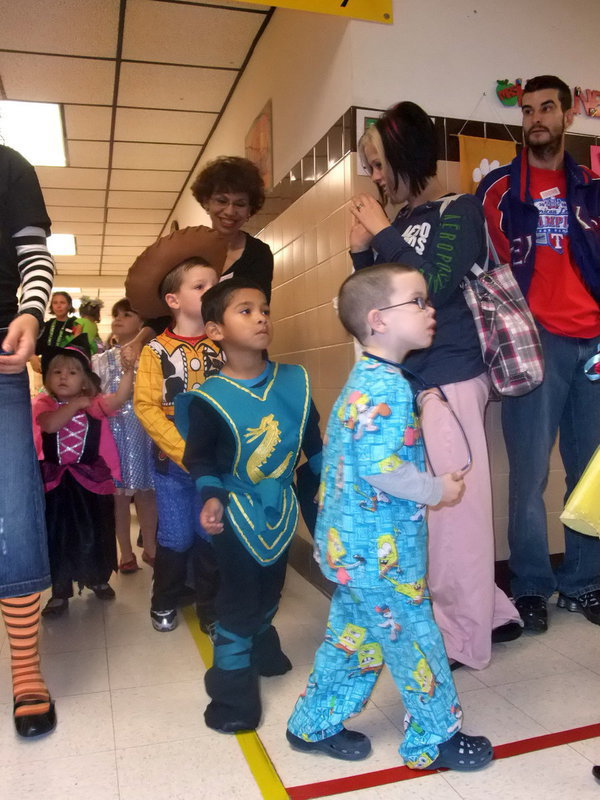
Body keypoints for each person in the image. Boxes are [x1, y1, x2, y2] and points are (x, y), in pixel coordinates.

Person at [286, 264, 493, 771]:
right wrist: (438, 490)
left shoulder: (371, 380)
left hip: (351, 550)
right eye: (418, 302)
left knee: (352, 639)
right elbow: (384, 470)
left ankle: (312, 724)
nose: (430, 311)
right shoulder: (386, 388)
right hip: (382, 559)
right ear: (378, 320)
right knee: (418, 641)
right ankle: (436, 736)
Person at [349, 101, 521, 670]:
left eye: (378, 164)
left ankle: (464, 638)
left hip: (451, 377)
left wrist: (380, 235)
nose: (374, 176)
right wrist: (361, 248)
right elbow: (374, 304)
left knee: (455, 518)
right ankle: (488, 614)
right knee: (434, 514)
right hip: (413, 383)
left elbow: (435, 285)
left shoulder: (459, 209)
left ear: (405, 155)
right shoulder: (395, 224)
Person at [477, 75, 600, 633]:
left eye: (547, 108)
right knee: (527, 478)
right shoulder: (499, 189)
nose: (536, 120)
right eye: (527, 111)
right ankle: (529, 585)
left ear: (568, 116)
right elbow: (480, 271)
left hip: (594, 342)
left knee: (589, 471)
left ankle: (583, 582)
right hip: (535, 343)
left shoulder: (595, 188)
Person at [175, 278, 322, 734]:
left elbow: (313, 444)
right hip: (235, 510)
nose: (261, 317)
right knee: (238, 597)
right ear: (215, 330)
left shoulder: (294, 381)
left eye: (264, 309)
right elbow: (199, 458)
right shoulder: (207, 399)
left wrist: (330, 491)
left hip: (280, 506)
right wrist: (211, 497)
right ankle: (231, 691)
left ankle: (262, 642)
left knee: (271, 586)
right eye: (245, 310)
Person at [127, 226, 227, 633]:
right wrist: (184, 451)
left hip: (217, 464)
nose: (212, 292)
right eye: (201, 286)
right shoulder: (155, 350)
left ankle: (209, 609)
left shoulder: (221, 344)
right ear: (173, 299)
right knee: (176, 536)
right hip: (173, 465)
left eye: (215, 286)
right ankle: (164, 599)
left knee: (209, 536)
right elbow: (146, 406)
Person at [0, 143, 57, 738]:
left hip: (1, 355)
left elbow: (33, 257)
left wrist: (31, 313)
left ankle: (25, 668)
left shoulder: (8, 165)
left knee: (12, 513)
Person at [33, 334, 134, 615]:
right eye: (57, 371)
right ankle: (60, 590)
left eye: (72, 372)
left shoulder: (95, 404)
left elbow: (120, 398)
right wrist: (75, 405)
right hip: (56, 482)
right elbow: (50, 426)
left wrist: (128, 372)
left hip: (92, 480)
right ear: (47, 378)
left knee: (96, 530)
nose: (64, 377)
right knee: (59, 535)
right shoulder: (43, 404)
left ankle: (98, 579)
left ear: (85, 380)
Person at [92, 298, 157, 572]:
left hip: (144, 430)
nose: (118, 319)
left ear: (141, 323)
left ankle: (151, 548)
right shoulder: (100, 359)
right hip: (114, 433)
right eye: (115, 315)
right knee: (118, 495)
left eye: (127, 314)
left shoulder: (152, 356)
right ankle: (126, 553)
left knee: (146, 492)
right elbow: (97, 395)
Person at [191, 156, 274, 301]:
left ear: (250, 210)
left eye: (240, 204)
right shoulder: (187, 248)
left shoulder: (258, 253)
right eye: (222, 201)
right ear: (206, 203)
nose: (230, 211)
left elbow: (257, 305)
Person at [32, 291, 81, 373]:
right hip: (49, 368)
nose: (58, 306)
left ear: (69, 305)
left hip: (69, 368)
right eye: (55, 303)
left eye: (62, 302)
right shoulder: (47, 325)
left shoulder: (76, 324)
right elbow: (37, 347)